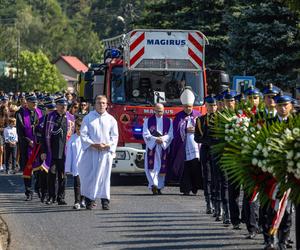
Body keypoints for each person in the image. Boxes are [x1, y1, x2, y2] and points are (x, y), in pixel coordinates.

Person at [262, 93, 294, 250]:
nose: (282, 108)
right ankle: (270, 239)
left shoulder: (296, 124)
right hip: (272, 172)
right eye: (280, 105)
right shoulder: (269, 123)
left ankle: (283, 241)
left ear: (291, 107)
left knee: (287, 210)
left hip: (290, 172)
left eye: (285, 105)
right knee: (271, 207)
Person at [79, 95, 118, 210]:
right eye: (98, 103)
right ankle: (89, 200)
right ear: (94, 104)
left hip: (105, 153)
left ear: (106, 105)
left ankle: (105, 201)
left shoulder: (111, 119)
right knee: (89, 176)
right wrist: (93, 144)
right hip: (91, 152)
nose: (101, 105)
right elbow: (83, 134)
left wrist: (108, 145)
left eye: (103, 103)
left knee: (104, 177)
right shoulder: (88, 118)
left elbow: (115, 136)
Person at [168, 87, 202, 195]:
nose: (188, 109)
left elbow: (202, 129)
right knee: (185, 167)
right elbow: (175, 131)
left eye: (190, 107)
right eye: (186, 107)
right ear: (183, 106)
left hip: (196, 146)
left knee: (196, 166)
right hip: (184, 146)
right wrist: (185, 129)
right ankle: (186, 188)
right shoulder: (178, 116)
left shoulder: (198, 115)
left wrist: (195, 129)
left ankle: (196, 187)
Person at [41, 97, 75, 205]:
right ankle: (51, 197)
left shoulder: (71, 118)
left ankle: (61, 197)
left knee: (62, 176)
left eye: (65, 105)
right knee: (51, 174)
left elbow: (74, 135)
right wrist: (43, 151)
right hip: (52, 151)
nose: (63, 107)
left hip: (65, 152)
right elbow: (43, 135)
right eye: (61, 105)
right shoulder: (50, 117)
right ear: (57, 105)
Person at [16, 93, 43, 200]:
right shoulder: (20, 113)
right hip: (27, 145)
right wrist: (29, 141)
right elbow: (20, 131)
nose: (35, 103)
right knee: (28, 170)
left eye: (36, 102)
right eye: (32, 102)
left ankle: (38, 188)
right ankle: (28, 192)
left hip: (38, 145)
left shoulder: (40, 112)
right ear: (27, 102)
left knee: (39, 169)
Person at [143, 103, 173, 195]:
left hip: (162, 147)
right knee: (152, 167)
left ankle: (159, 187)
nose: (160, 113)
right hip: (152, 147)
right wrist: (156, 139)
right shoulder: (148, 121)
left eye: (162, 111)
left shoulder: (169, 121)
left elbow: (171, 134)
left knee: (161, 167)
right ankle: (153, 185)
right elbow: (145, 134)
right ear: (154, 110)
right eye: (158, 111)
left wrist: (162, 139)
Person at [194, 95, 217, 214]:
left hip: (217, 151)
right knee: (207, 176)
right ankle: (208, 202)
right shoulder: (200, 120)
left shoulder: (222, 119)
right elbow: (196, 137)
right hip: (206, 150)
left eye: (214, 105)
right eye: (210, 105)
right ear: (206, 106)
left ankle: (216, 201)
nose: (212, 108)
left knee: (216, 177)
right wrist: (207, 141)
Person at [65, 117, 85, 209]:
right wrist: (68, 167)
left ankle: (83, 200)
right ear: (75, 127)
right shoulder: (72, 139)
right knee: (77, 183)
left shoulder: (87, 138)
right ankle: (77, 201)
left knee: (85, 184)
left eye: (81, 126)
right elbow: (69, 154)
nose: (79, 129)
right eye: (78, 126)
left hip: (86, 165)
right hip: (76, 165)